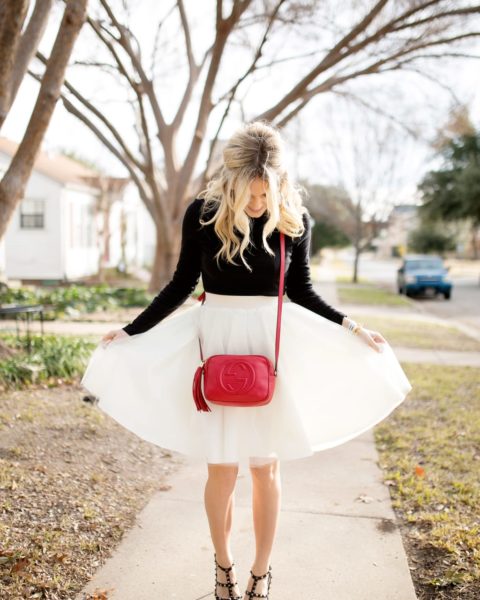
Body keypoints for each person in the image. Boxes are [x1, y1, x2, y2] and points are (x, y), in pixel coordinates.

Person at [81, 120, 412, 600]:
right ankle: (223, 569)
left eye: (265, 194)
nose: (258, 204)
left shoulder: (292, 219)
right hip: (216, 342)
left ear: (278, 183)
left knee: (266, 467)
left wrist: (352, 327)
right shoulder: (202, 213)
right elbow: (181, 284)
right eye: (250, 195)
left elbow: (300, 290)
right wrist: (133, 330)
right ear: (230, 181)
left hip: (270, 349)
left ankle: (261, 573)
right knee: (221, 468)